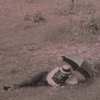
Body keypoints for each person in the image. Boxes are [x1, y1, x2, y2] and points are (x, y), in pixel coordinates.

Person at [4, 63, 78, 91]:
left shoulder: (67, 79)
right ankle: (13, 87)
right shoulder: (57, 69)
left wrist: (72, 75)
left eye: (66, 73)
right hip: (44, 76)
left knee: (33, 85)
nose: (64, 74)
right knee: (30, 81)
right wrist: (55, 85)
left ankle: (13, 88)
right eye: (63, 72)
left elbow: (75, 83)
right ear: (61, 71)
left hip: (45, 83)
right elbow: (49, 78)